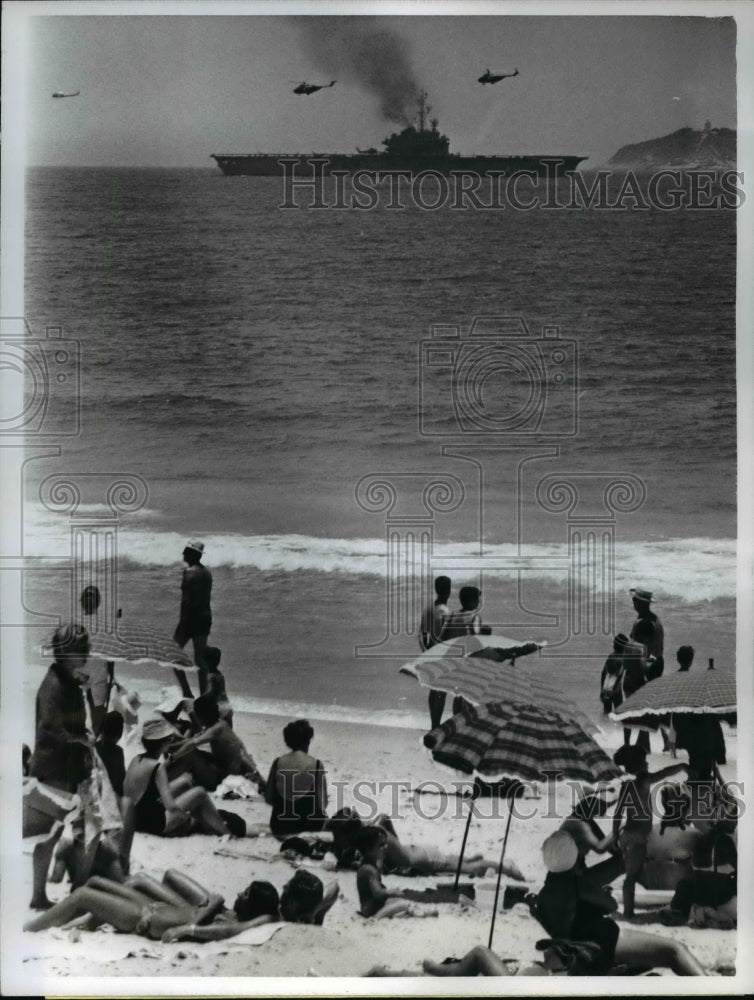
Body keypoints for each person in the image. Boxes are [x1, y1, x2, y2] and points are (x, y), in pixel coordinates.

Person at [532, 829, 705, 975]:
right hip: (603, 942)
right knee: (675, 950)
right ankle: (712, 988)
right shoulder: (578, 885)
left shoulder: (545, 893)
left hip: (577, 945)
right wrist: (601, 896)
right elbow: (611, 906)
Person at [612, 744, 689, 918]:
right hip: (637, 836)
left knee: (633, 873)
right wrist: (683, 766)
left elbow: (618, 813)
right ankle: (628, 913)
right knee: (631, 877)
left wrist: (616, 835)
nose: (647, 764)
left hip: (628, 834)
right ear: (639, 764)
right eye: (645, 762)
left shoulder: (627, 786)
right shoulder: (644, 780)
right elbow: (665, 772)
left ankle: (629, 909)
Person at [123, 717, 232, 837]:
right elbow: (171, 807)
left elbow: (146, 780)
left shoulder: (137, 759)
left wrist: (171, 759)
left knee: (185, 781)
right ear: (163, 743)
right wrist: (186, 817)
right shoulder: (157, 768)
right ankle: (225, 832)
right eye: (169, 739)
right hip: (153, 825)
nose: (171, 742)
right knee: (200, 793)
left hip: (134, 818)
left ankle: (210, 824)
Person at [374, 813, 525, 880]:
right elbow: (384, 816)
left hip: (423, 859)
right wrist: (398, 847)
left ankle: (508, 870)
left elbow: (377, 869)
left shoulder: (372, 837)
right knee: (453, 861)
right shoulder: (374, 828)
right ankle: (472, 859)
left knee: (470, 869)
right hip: (418, 851)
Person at [181, 695, 266, 791]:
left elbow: (191, 744)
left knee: (192, 753)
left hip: (222, 779)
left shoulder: (214, 730)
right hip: (233, 772)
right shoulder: (222, 724)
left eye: (196, 713)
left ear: (201, 715)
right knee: (202, 754)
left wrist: (172, 757)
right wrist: (257, 773)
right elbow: (240, 748)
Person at [356, 827, 439, 919]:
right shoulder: (369, 870)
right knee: (402, 904)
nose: (386, 847)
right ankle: (376, 918)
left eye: (385, 843)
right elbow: (378, 893)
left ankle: (418, 910)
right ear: (368, 849)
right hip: (370, 909)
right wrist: (391, 892)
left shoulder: (370, 865)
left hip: (374, 906)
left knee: (398, 902)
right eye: (381, 845)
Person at [429, 585, 483, 727]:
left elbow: (441, 639)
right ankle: (457, 725)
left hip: (447, 659)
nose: (478, 602)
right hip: (464, 661)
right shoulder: (474, 617)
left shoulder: (451, 615)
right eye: (477, 599)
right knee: (460, 696)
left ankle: (434, 726)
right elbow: (477, 639)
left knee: (441, 693)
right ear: (472, 601)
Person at [265, 719, 328, 837]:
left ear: (289, 742)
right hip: (308, 827)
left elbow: (269, 798)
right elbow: (322, 804)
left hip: (279, 826)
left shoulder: (277, 762)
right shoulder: (317, 765)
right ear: (308, 741)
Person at [659, 834, 737, 929]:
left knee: (685, 886)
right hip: (721, 898)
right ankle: (710, 914)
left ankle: (696, 913)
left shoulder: (688, 884)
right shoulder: (726, 847)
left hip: (701, 897)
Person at [173, 541, 213, 693]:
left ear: (191, 554)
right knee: (200, 661)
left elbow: (186, 601)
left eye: (185, 551)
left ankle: (187, 691)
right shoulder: (207, 573)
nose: (183, 554)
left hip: (190, 619)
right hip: (205, 618)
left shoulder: (189, 573)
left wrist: (182, 624)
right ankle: (203, 694)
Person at [420, 576, 451, 730]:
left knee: (433, 691)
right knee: (441, 691)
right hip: (443, 654)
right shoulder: (447, 612)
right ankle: (435, 726)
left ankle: (434, 724)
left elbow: (421, 635)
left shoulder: (428, 609)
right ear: (449, 590)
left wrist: (425, 651)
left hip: (429, 652)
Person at [95, 711, 126, 799]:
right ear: (119, 733)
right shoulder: (117, 752)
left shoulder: (94, 747)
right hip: (108, 798)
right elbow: (120, 783)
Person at [204, 646, 234, 727]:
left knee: (215, 735)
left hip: (218, 709)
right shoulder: (219, 674)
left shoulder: (210, 676)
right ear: (218, 661)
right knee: (228, 735)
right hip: (227, 706)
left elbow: (210, 692)